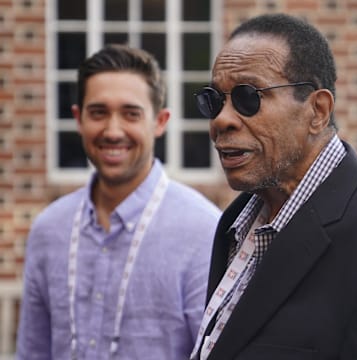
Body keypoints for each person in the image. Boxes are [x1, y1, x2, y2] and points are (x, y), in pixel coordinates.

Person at [16, 44, 221, 360]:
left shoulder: (204, 232)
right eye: (98, 112)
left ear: (160, 121)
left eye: (130, 114)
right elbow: (33, 352)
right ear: (78, 118)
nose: (113, 131)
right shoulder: (48, 230)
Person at [190, 13, 357, 360]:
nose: (222, 119)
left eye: (247, 97)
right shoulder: (235, 223)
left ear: (317, 110)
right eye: (214, 100)